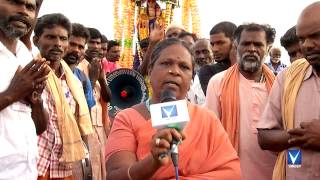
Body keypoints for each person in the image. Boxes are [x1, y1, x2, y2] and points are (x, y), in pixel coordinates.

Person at [105, 38, 241, 180]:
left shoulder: (207, 118)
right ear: (150, 72)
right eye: (166, 63)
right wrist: (152, 162)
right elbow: (115, 175)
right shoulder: (126, 119)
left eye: (184, 67)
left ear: (191, 80)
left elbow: (232, 172)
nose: (174, 71)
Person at [205, 23, 277, 180]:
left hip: (274, 172)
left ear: (268, 49)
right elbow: (210, 134)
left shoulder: (280, 86)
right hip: (231, 173)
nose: (251, 49)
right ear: (236, 46)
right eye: (246, 44)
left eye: (258, 44)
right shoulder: (218, 82)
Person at [257, 2, 320, 180]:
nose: (306, 45)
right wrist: (305, 136)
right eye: (302, 39)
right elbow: (264, 137)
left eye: (316, 36)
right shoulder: (288, 77)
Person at [33, 13, 93, 179]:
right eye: (50, 37)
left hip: (63, 167)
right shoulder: (29, 73)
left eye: (62, 38)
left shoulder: (74, 82)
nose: (58, 44)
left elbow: (77, 122)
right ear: (36, 40)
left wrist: (85, 156)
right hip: (35, 164)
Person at [0, 0, 50, 179]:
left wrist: (36, 101)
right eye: (15, 2)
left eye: (30, 7)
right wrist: (12, 93)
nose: (24, 11)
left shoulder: (26, 55)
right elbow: (14, 93)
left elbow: (39, 128)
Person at [78, 27, 111, 180]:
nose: (96, 47)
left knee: (102, 171)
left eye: (98, 43)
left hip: (100, 128)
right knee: (91, 171)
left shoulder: (98, 65)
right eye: (92, 42)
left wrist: (101, 78)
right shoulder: (78, 67)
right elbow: (83, 102)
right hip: (85, 127)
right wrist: (92, 78)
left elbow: (108, 97)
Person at [199, 21, 237, 94]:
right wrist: (234, 63)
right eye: (212, 44)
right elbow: (222, 99)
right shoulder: (208, 71)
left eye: (220, 43)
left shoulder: (252, 69)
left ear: (234, 42)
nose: (214, 49)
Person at [64, 23, 96, 110]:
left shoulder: (82, 78)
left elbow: (86, 112)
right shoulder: (48, 71)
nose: (76, 50)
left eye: (80, 47)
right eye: (72, 44)